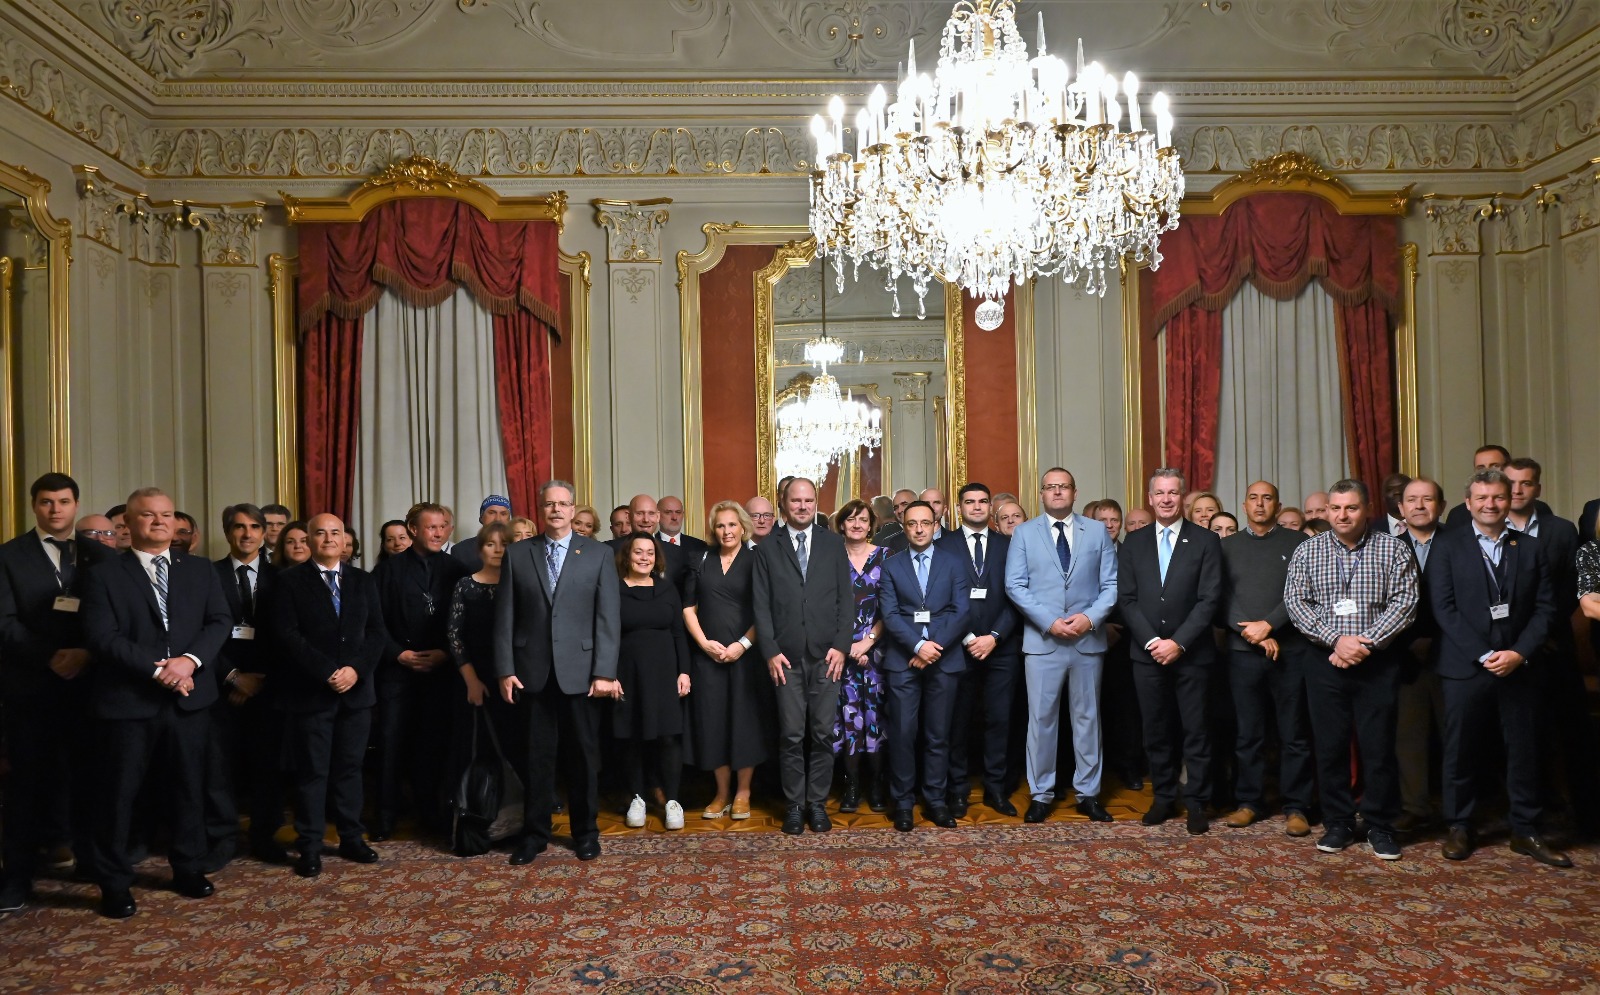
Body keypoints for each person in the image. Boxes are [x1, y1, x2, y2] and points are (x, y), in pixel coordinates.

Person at [80, 487, 233, 919]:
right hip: (128, 702)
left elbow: (220, 621)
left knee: (189, 789)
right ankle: (113, 882)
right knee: (118, 795)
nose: (160, 521)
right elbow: (102, 636)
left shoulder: (200, 570)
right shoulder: (104, 574)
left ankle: (188, 867)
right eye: (148, 515)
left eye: (166, 514)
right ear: (129, 523)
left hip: (189, 701)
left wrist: (189, 661)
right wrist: (159, 671)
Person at [1430, 470, 1569, 867]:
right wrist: (1484, 654)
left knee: (1524, 750)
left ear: (1509, 500)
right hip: (1465, 666)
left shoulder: (1531, 546)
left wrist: (1518, 653)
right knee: (1461, 751)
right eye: (1482, 498)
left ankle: (1525, 829)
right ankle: (1460, 826)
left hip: (1519, 667)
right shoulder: (1447, 545)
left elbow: (1545, 608)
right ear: (1468, 503)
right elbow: (1444, 609)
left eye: (1498, 497)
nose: (1490, 504)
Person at [1285, 479, 1418, 861]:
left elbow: (1404, 603)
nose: (1342, 515)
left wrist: (1363, 643)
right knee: (1330, 746)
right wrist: (1336, 640)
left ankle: (1380, 824)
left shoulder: (1393, 548)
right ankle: (1338, 822)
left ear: (1367, 510)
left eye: (1351, 508)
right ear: (1327, 511)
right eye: (1336, 508)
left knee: (1379, 747)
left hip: (1377, 663)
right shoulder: (1308, 550)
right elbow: (1296, 602)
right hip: (1324, 661)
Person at [0, 473, 112, 912]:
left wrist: (86, 653)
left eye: (63, 501)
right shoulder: (9, 556)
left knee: (91, 780)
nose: (55, 509)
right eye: (46, 502)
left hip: (89, 687)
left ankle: (92, 862)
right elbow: (4, 622)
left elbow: (114, 617)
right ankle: (17, 877)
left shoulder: (101, 555)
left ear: (75, 504)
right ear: (34, 506)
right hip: (31, 686)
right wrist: (50, 656)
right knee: (27, 785)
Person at [495, 480, 621, 864]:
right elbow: (504, 617)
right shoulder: (518, 554)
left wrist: (604, 672)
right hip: (531, 672)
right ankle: (534, 835)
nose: (556, 510)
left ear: (572, 509)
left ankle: (586, 833)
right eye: (549, 504)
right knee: (536, 758)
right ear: (541, 509)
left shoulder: (598, 554)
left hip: (581, 674)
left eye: (563, 504)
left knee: (582, 758)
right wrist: (504, 669)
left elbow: (608, 618)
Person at [272, 513, 386, 878]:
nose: (328, 538)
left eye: (335, 532)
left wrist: (355, 670)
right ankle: (309, 845)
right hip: (312, 692)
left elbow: (377, 633)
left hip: (356, 693)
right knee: (312, 772)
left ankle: (351, 837)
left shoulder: (363, 580)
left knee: (350, 769)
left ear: (344, 539)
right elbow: (288, 636)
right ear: (308, 540)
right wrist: (326, 672)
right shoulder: (289, 581)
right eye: (320, 533)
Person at [1004, 468, 1120, 824]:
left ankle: (1089, 793)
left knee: (1088, 719)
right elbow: (1014, 585)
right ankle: (1041, 794)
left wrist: (1090, 618)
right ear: (1041, 493)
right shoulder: (1024, 533)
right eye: (1050, 487)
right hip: (1043, 642)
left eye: (1063, 486)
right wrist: (1049, 621)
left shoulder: (1097, 531)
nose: (1057, 492)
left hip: (1087, 640)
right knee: (1041, 720)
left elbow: (1111, 584)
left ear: (1074, 492)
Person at [1120, 469, 1224, 835]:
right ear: (1150, 498)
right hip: (1146, 655)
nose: (1166, 499)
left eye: (1173, 492)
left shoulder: (1206, 540)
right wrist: (1153, 642)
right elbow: (1126, 599)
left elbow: (1209, 599)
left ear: (1183, 497)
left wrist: (1178, 642)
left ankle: (1196, 802)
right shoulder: (1134, 542)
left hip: (1192, 654)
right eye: (1160, 493)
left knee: (1196, 731)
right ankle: (1163, 798)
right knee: (1156, 730)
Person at [752, 477, 854, 836]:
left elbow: (846, 600)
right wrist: (770, 650)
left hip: (827, 656)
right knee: (792, 735)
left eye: (808, 500)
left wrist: (842, 645)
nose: (802, 506)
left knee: (823, 734)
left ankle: (817, 804)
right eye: (796, 501)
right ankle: (795, 806)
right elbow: (760, 605)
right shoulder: (767, 547)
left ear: (816, 503)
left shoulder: (833, 543)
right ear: (784, 503)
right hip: (786, 658)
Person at [1504, 458, 1599, 836]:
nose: (1517, 490)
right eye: (1511, 483)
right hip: (1509, 650)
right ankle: (1529, 819)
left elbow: (1570, 589)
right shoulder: (1486, 529)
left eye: (1526, 483)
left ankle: (1587, 818)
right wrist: (1520, 640)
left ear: (1538, 489)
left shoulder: (1560, 530)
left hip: (1555, 646)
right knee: (1525, 739)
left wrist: (1540, 633)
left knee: (1575, 734)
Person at [1218, 481, 1314, 837]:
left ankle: (1297, 806)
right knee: (1248, 733)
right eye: (1253, 498)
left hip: (1291, 653)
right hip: (1242, 653)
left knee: (1294, 733)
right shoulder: (1226, 546)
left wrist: (1269, 625)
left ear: (1278, 504)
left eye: (1267, 498)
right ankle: (1249, 802)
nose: (1260, 504)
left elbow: (1303, 593)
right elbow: (1219, 597)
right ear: (1244, 505)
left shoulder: (1300, 543)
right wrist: (1252, 632)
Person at [371, 502, 469, 840]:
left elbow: (465, 621)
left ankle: (431, 813)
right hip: (397, 671)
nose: (439, 533)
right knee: (391, 745)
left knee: (434, 745)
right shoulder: (387, 571)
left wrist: (445, 653)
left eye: (443, 527)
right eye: (431, 527)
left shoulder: (457, 569)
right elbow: (374, 622)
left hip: (441, 673)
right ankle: (385, 816)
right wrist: (398, 654)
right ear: (413, 530)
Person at [202, 502, 289, 871]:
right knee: (219, 768)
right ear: (227, 532)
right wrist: (234, 676)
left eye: (254, 527)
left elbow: (289, 635)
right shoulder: (207, 574)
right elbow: (199, 631)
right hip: (220, 687)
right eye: (239, 527)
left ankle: (265, 836)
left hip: (270, 688)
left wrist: (260, 678)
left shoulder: (283, 576)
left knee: (267, 766)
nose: (247, 534)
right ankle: (223, 838)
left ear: (264, 533)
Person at [879, 500, 970, 831]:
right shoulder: (891, 566)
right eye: (912, 523)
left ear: (935, 525)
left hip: (944, 660)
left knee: (938, 735)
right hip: (903, 660)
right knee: (903, 734)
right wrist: (918, 646)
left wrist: (934, 647)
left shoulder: (954, 563)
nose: (919, 529)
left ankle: (936, 801)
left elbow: (961, 611)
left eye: (925, 523)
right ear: (904, 527)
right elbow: (890, 614)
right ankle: (903, 803)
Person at [940, 483, 1022, 818]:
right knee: (957, 721)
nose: (976, 507)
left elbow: (1018, 595)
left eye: (983, 501)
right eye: (970, 502)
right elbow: (940, 597)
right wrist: (968, 637)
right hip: (958, 648)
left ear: (991, 507)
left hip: (1001, 648)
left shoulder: (1010, 545)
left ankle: (996, 788)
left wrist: (995, 636)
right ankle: (958, 790)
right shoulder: (943, 544)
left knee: (999, 720)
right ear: (959, 508)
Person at [683, 501, 768, 820]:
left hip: (747, 656)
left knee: (745, 723)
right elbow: (688, 607)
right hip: (708, 658)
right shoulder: (701, 559)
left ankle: (743, 792)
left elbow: (766, 610)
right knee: (713, 723)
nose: (727, 531)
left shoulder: (757, 560)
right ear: (713, 529)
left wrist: (742, 645)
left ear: (743, 527)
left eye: (732, 524)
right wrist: (704, 644)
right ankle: (721, 793)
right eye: (720, 525)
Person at [446, 521, 523, 848]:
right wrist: (472, 681)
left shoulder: (519, 584)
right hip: (474, 680)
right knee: (475, 752)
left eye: (504, 544)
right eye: (490, 544)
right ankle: (476, 825)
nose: (498, 550)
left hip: (515, 681)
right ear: (480, 550)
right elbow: (454, 637)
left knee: (515, 750)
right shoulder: (466, 585)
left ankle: (513, 826)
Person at [612, 534, 692, 831]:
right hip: (627, 673)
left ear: (656, 558)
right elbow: (607, 634)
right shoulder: (614, 590)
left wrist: (684, 672)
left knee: (668, 737)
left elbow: (678, 633)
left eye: (649, 552)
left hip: (665, 672)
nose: (644, 558)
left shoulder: (667, 588)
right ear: (627, 556)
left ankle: (672, 801)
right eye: (638, 552)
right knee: (632, 737)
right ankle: (637, 798)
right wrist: (608, 674)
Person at [830, 500, 889, 813]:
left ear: (871, 525)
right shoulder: (830, 558)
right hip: (839, 654)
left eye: (862, 520)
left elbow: (892, 607)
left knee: (876, 720)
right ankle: (851, 786)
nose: (856, 525)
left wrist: (867, 643)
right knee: (847, 721)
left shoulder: (886, 557)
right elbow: (822, 608)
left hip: (878, 653)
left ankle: (876, 785)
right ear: (841, 524)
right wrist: (847, 647)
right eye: (850, 519)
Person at [1394, 478, 1446, 833]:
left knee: (1455, 737)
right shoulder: (1388, 547)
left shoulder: (1460, 543)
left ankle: (1458, 813)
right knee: (1408, 737)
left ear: (1440, 506)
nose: (1419, 505)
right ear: (1401, 508)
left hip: (1452, 653)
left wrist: (1435, 638)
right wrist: (1410, 640)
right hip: (1404, 654)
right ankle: (1414, 807)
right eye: (1412, 500)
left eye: (1428, 499)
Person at [450, 495, 512, 573]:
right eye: (492, 513)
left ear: (509, 519)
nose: (498, 519)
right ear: (481, 517)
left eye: (503, 514)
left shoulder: (518, 548)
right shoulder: (461, 550)